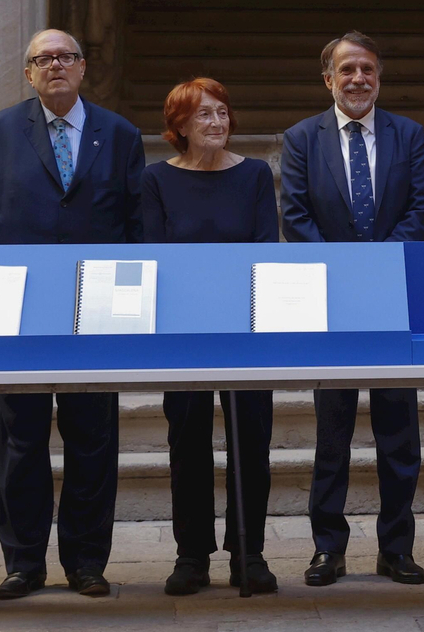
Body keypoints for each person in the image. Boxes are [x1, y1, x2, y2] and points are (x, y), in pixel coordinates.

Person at [0, 29, 145, 600]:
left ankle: (87, 561)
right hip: (22, 311)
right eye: (43, 60)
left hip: (99, 310)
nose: (55, 66)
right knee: (20, 442)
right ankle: (23, 562)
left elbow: (135, 223)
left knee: (92, 440)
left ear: (83, 67)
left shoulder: (118, 134)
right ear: (28, 73)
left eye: (66, 57)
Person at [280, 31, 424, 586]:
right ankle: (328, 547)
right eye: (347, 70)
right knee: (332, 434)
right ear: (329, 79)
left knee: (399, 435)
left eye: (367, 69)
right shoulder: (301, 138)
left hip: (395, 301)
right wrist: (344, 275)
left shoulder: (409, 135)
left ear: (379, 76)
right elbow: (295, 216)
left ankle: (396, 547)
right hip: (333, 307)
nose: (358, 79)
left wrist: (379, 267)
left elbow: (422, 209)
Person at [144, 78, 279, 596]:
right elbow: (156, 255)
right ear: (179, 126)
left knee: (252, 441)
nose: (217, 123)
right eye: (204, 115)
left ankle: (250, 554)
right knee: (188, 442)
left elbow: (266, 251)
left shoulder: (254, 176)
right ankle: (191, 555)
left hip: (247, 331)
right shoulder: (156, 179)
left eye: (223, 112)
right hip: (183, 333)